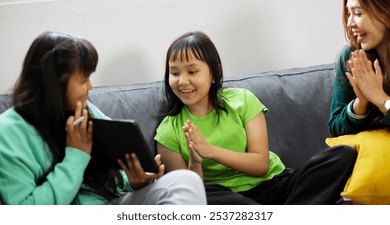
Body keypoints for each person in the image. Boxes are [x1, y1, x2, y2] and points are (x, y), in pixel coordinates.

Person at [0, 31, 207, 205]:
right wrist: (76, 156)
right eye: (83, 79)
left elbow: (110, 174)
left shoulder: (83, 109)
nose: (90, 87)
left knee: (185, 181)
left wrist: (134, 181)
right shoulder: (8, 133)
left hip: (110, 204)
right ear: (54, 84)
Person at [154, 31, 357, 205]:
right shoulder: (168, 131)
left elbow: (260, 166)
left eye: (192, 71)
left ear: (214, 73)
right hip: (228, 200)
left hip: (275, 186)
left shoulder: (243, 100)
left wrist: (211, 151)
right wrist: (196, 162)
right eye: (174, 73)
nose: (182, 81)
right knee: (209, 195)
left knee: (343, 154)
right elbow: (190, 197)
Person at [329, 0, 390, 136]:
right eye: (349, 13)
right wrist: (360, 103)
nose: (349, 23)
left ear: (386, 14)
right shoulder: (350, 56)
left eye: (357, 13)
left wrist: (380, 99)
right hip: (366, 158)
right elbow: (335, 129)